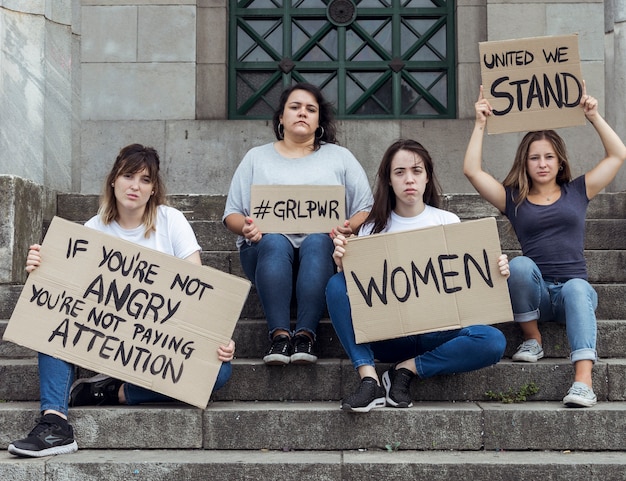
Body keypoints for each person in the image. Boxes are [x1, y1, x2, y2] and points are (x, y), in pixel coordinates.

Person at [8, 144, 236, 457]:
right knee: (50, 320)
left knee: (219, 374)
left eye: (145, 179)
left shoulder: (171, 221)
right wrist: (41, 269)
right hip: (101, 340)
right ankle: (55, 423)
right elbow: (62, 293)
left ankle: (113, 391)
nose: (135, 186)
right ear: (114, 180)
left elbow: (198, 291)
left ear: (153, 188)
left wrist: (219, 339)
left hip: (155, 348)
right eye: (128, 176)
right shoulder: (94, 228)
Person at [463, 83, 626, 408]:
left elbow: (618, 155)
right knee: (519, 265)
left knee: (578, 288)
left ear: (560, 161)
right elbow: (471, 170)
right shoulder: (513, 198)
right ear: (525, 162)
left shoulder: (578, 191)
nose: (542, 163)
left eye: (549, 157)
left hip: (572, 297)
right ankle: (532, 339)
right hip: (536, 294)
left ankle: (583, 380)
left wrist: (593, 116)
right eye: (534, 157)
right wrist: (480, 122)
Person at [325, 139, 509, 412]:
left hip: (438, 332)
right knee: (336, 284)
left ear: (427, 178)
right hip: (388, 336)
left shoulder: (448, 222)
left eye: (416, 171)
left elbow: (468, 288)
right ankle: (369, 381)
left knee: (493, 341)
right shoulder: (371, 230)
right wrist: (343, 263)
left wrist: (496, 269)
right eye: (400, 172)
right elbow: (362, 294)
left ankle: (406, 370)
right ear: (389, 180)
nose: (409, 179)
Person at [223, 82, 373, 365]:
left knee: (318, 240)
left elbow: (366, 209)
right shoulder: (256, 157)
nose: (302, 113)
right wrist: (245, 226)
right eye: (294, 107)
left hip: (321, 253)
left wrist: (348, 227)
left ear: (319, 120)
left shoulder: (340, 157)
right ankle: (279, 337)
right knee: (274, 240)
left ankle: (305, 336)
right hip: (265, 253)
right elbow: (231, 214)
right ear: (281, 117)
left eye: (310, 109)